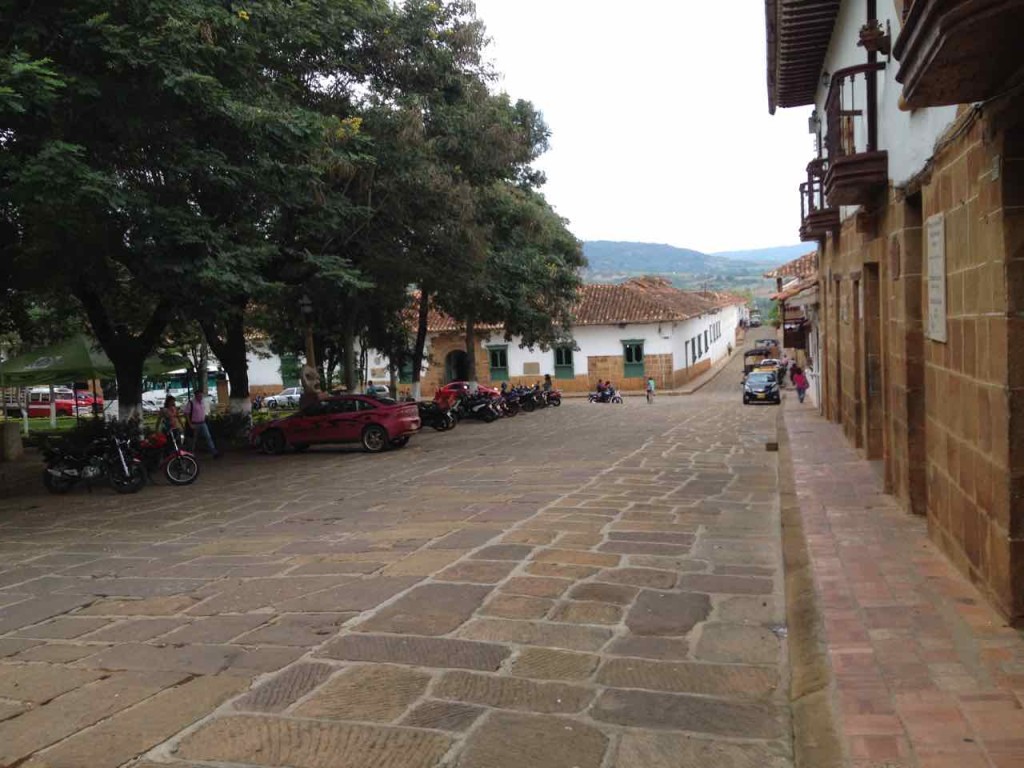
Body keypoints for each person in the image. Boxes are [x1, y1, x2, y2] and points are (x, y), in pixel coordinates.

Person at [184, 391, 219, 457]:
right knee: (193, 439)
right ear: (196, 395)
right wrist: (190, 424)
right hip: (194, 423)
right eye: (199, 396)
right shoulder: (191, 403)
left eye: (201, 396)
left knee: (208, 437)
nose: (200, 397)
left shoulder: (202, 402)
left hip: (202, 423)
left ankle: (214, 452)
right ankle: (191, 453)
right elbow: (186, 414)